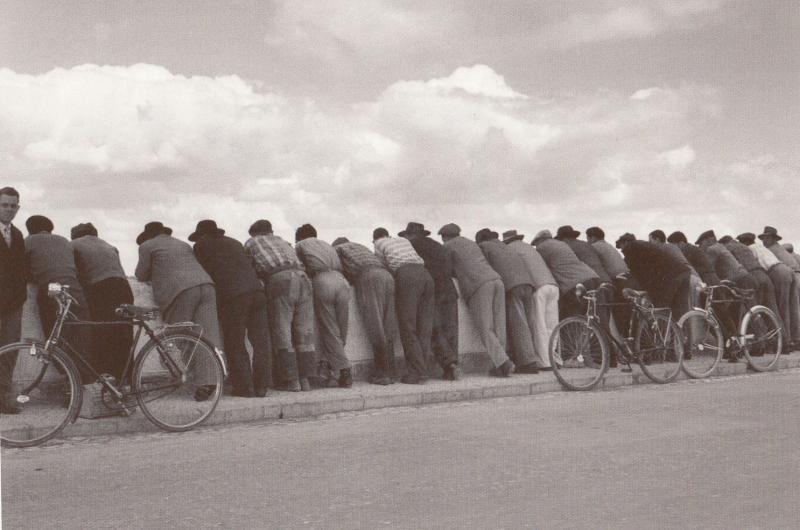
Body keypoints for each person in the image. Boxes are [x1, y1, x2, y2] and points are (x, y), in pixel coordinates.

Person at [190, 220, 271, 397]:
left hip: (234, 296)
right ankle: (262, 386)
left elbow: (201, 271)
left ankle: (244, 387)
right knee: (260, 341)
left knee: (235, 342)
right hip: (257, 292)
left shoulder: (201, 245)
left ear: (201, 235)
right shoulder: (234, 242)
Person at [244, 220, 315, 392]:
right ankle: (306, 380)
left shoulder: (251, 242)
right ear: (271, 231)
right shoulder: (283, 241)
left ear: (254, 233)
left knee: (282, 330)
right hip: (303, 278)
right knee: (303, 331)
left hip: (280, 279)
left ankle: (291, 381)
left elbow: (249, 268)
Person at [439, 223, 514, 377]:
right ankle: (499, 364)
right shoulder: (471, 243)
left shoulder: (448, 246)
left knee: (485, 327)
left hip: (479, 284)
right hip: (496, 279)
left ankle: (504, 363)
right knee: (499, 325)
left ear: (444, 236)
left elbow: (446, 269)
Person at [25, 215, 94, 383]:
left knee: (54, 338)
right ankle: (83, 382)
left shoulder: (28, 241)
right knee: (81, 337)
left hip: (51, 292)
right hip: (75, 290)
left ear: (30, 229)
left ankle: (68, 382)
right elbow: (80, 269)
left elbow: (22, 270)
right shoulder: (64, 241)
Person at [135, 221, 222, 348]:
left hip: (181, 290)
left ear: (148, 235)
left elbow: (141, 274)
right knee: (208, 338)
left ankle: (186, 368)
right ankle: (212, 367)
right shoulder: (183, 244)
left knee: (180, 337)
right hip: (206, 285)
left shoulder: (147, 245)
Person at [71, 222, 134, 383]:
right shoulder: (110, 246)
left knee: (101, 334)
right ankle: (127, 380)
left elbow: (77, 273)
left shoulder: (74, 245)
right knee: (123, 334)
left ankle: (104, 381)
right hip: (124, 288)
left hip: (101, 288)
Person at [333, 237, 397, 384]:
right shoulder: (360, 245)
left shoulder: (339, 249)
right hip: (387, 276)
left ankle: (382, 373)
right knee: (388, 325)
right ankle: (392, 372)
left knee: (375, 325)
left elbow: (337, 270)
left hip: (368, 277)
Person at [373, 227, 434, 384]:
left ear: (375, 239)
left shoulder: (379, 243)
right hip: (426, 274)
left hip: (406, 276)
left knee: (408, 327)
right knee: (424, 327)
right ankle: (424, 369)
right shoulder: (403, 240)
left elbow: (382, 267)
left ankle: (417, 373)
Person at [399, 222, 459, 380]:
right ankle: (452, 367)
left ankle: (443, 364)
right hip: (450, 289)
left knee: (432, 329)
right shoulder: (438, 245)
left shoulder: (412, 245)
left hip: (432, 290)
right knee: (450, 329)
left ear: (410, 234)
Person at [295, 223, 352, 388]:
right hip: (341, 281)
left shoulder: (301, 245)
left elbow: (299, 267)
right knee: (341, 329)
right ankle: (333, 373)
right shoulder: (327, 245)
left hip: (322, 281)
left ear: (299, 236)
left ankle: (345, 370)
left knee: (329, 329)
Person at [476, 228, 539, 374]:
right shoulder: (505, 246)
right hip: (528, 284)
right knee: (529, 323)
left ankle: (528, 363)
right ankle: (531, 358)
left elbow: (483, 266)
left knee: (518, 324)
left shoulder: (484, 246)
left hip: (512, 286)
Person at [503, 229, 558, 369]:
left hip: (538, 287)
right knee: (551, 327)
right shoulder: (528, 247)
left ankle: (544, 362)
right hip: (552, 285)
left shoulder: (509, 248)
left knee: (539, 326)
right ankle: (555, 359)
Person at [615, 233, 692, 321]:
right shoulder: (645, 245)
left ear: (625, 243)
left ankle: (662, 334)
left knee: (660, 309)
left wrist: (645, 292)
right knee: (680, 311)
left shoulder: (630, 248)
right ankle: (681, 334)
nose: (622, 251)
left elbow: (639, 274)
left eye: (621, 247)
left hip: (669, 277)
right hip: (682, 271)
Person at [532, 229, 601, 320]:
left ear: (539, 240)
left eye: (536, 244)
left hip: (574, 283)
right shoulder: (562, 244)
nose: (536, 246)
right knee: (590, 315)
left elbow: (539, 268)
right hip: (592, 276)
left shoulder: (541, 248)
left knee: (570, 316)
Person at [0, 187, 26, 413]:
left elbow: (20, 269)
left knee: (9, 351)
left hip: (13, 304)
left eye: (12, 205)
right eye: (4, 205)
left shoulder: (17, 235)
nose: (8, 209)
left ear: (18, 208)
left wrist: (20, 298)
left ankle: (4, 399)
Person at [718, 234, 779, 324]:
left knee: (753, 310)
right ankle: (779, 335)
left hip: (752, 276)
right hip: (764, 275)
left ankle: (760, 333)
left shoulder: (728, 247)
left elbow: (733, 267)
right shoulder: (744, 247)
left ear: (724, 243)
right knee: (772, 309)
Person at [756, 227, 800, 347]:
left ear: (773, 239)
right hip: (795, 275)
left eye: (767, 238)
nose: (764, 241)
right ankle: (796, 339)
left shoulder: (770, 249)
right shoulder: (780, 248)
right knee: (793, 308)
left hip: (787, 276)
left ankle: (785, 340)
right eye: (763, 238)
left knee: (782, 307)